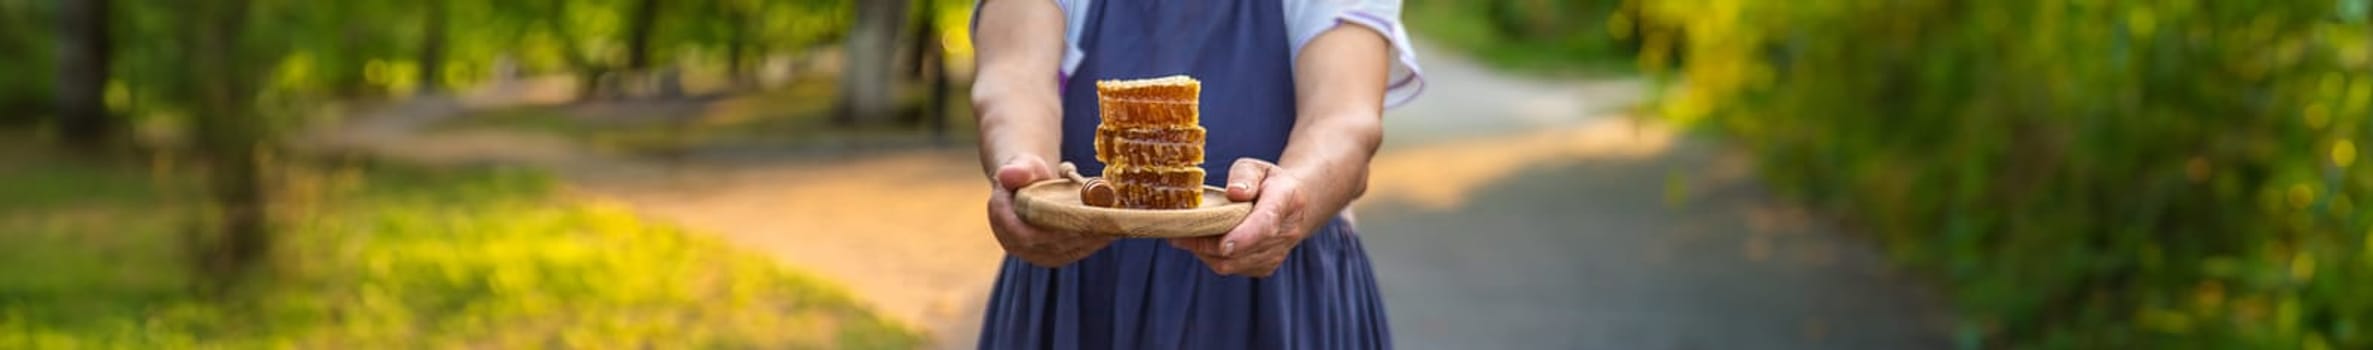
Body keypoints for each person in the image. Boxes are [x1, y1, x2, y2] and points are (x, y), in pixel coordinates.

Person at [971, 0, 1424, 348]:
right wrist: (1023, 167)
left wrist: (1296, 194)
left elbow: (1345, 119)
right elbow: (1015, 76)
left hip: (1279, 291)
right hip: (1076, 279)